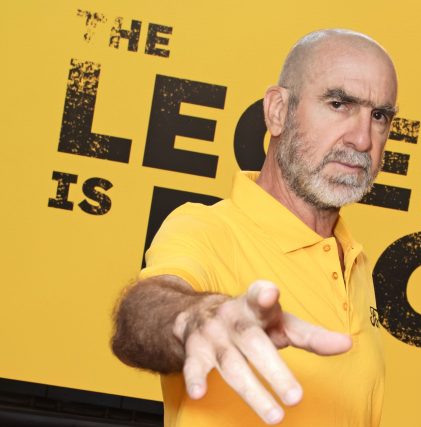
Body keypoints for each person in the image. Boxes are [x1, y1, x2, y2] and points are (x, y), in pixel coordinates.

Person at [111, 28, 399, 426]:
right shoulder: (208, 228)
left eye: (379, 116)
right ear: (278, 111)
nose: (363, 139)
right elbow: (143, 314)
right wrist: (197, 318)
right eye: (338, 104)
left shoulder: (355, 261)